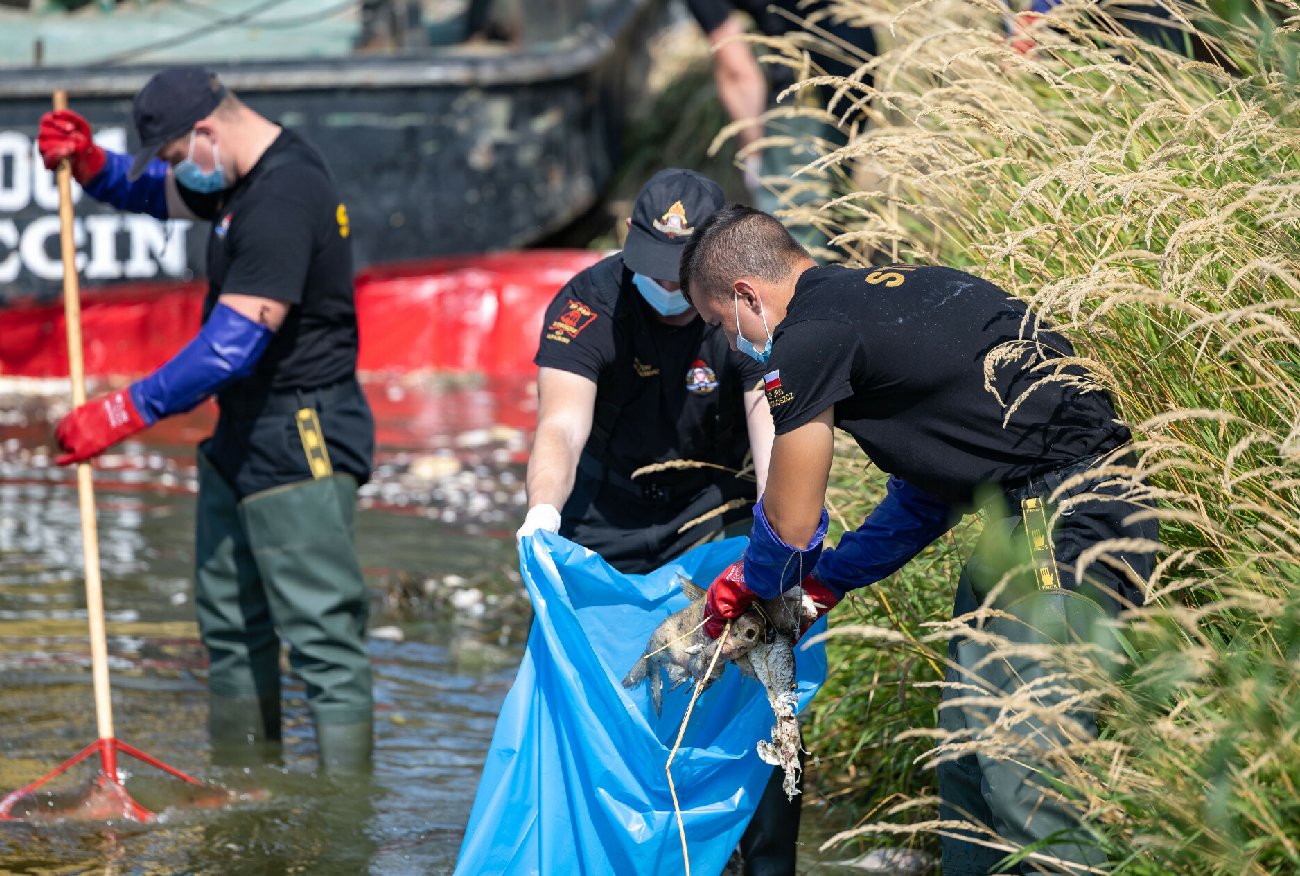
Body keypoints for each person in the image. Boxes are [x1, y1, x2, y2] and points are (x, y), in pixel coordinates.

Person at [679, 205, 1160, 874]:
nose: (729, 344)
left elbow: (791, 524)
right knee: (966, 754)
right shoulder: (883, 298)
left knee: (1026, 770)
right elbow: (929, 493)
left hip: (1070, 519)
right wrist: (828, 583)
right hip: (1016, 517)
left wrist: (751, 586)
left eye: (717, 323)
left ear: (746, 296)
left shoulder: (806, 340)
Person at [37, 67, 376, 774]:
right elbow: (151, 193)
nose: (173, 172)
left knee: (323, 641)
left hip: (301, 433)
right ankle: (243, 792)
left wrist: (122, 410)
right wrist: (90, 165)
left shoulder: (283, 195)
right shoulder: (230, 175)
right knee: (230, 627)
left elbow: (232, 345)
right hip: (240, 430)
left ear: (205, 132)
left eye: (173, 155)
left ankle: (346, 815)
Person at [516, 169, 797, 874]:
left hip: (711, 517)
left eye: (680, 273)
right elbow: (560, 426)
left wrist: (781, 533)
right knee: (595, 690)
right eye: (653, 267)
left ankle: (758, 857)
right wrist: (542, 513)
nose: (666, 287)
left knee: (752, 687)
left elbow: (770, 433)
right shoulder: (588, 303)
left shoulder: (741, 309)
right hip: (602, 518)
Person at [685, 0, 877, 253]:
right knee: (833, 198)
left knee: (793, 231)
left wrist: (754, 152)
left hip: (805, 88)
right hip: (859, 58)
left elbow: (736, 70)